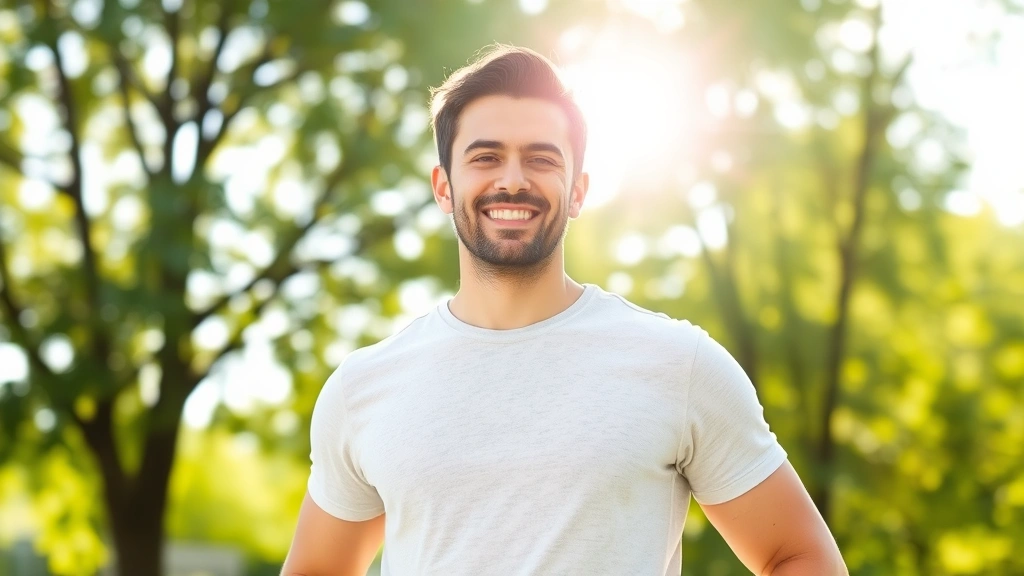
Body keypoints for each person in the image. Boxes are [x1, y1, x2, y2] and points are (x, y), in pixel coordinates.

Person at [281, 45, 847, 576]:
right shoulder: (363, 388)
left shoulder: (679, 364)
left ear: (577, 190)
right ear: (443, 186)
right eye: (485, 157)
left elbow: (798, 556)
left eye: (541, 159)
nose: (512, 181)